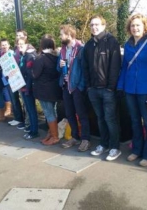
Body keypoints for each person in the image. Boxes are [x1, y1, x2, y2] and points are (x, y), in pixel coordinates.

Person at [117, 14, 147, 166]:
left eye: (138, 25)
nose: (135, 28)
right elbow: (124, 68)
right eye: (133, 26)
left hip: (145, 90)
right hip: (130, 89)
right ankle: (137, 150)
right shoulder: (128, 44)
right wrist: (120, 86)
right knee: (134, 121)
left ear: (144, 27)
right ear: (129, 28)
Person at [82, 15, 122, 161]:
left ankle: (115, 147)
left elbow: (115, 66)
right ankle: (103, 144)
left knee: (110, 119)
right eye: (92, 25)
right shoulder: (88, 44)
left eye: (97, 24)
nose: (94, 27)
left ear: (104, 26)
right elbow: (85, 66)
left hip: (107, 90)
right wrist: (88, 86)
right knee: (100, 119)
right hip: (93, 89)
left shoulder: (111, 42)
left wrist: (111, 87)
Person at [58, 24, 92, 152]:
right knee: (69, 113)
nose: (60, 37)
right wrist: (60, 65)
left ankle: (85, 139)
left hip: (77, 87)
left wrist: (80, 86)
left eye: (62, 34)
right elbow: (58, 69)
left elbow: (84, 69)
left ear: (69, 35)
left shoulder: (80, 49)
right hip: (66, 86)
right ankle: (74, 137)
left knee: (82, 114)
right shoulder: (62, 50)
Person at [32, 35, 62, 145]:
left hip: (44, 90)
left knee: (49, 113)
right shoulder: (57, 57)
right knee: (53, 112)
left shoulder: (41, 58)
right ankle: (51, 133)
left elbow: (35, 74)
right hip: (55, 89)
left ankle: (55, 136)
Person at [17, 37, 39, 139]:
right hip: (23, 86)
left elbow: (30, 74)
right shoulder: (23, 56)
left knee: (31, 109)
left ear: (27, 44)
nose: (20, 46)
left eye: (22, 44)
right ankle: (31, 129)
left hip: (28, 87)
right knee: (29, 109)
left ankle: (34, 131)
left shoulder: (29, 56)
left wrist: (28, 89)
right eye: (18, 44)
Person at [0, 38, 24, 124]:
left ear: (9, 45)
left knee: (16, 99)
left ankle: (20, 118)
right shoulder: (2, 54)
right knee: (13, 99)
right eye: (2, 45)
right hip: (7, 80)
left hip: (15, 80)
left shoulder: (12, 54)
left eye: (5, 44)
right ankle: (17, 117)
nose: (4, 46)